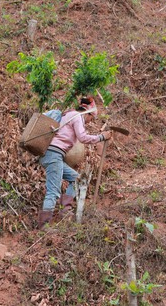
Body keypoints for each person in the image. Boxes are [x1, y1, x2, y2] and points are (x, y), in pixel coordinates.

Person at [37, 97, 112, 229]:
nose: (89, 122)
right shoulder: (77, 116)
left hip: (51, 154)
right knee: (53, 191)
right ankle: (43, 226)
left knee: (76, 178)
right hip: (54, 154)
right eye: (91, 118)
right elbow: (82, 137)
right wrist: (101, 137)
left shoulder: (69, 114)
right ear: (88, 113)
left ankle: (64, 212)